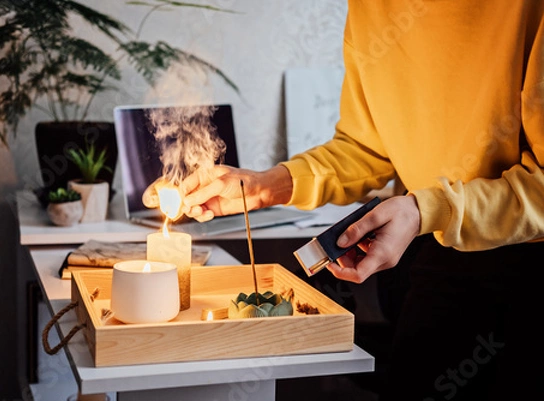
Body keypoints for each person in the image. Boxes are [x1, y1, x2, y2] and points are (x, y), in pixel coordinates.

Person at [145, 2, 544, 400]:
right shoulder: (371, 8)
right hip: (437, 239)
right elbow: (366, 148)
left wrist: (426, 209)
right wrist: (268, 185)